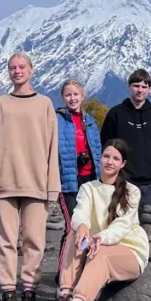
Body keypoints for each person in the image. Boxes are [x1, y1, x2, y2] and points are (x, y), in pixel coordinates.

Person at [0, 52, 60, 301]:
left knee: (34, 241)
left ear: (31, 70)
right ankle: (8, 294)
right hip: (5, 183)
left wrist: (52, 185)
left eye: (22, 67)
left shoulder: (45, 104)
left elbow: (53, 147)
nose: (17, 71)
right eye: (12, 67)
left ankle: (29, 293)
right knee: (5, 241)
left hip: (36, 183)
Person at [45, 139, 149, 301]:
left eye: (116, 158)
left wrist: (100, 237)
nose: (110, 161)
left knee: (102, 253)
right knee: (74, 234)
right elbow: (81, 212)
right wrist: (83, 226)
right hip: (95, 245)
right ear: (100, 159)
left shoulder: (131, 191)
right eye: (106, 156)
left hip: (129, 250)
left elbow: (122, 226)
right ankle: (64, 299)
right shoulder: (88, 188)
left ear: (123, 164)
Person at [100, 69, 151, 213]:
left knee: (147, 220)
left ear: (149, 89)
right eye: (136, 86)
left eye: (144, 87)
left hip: (150, 181)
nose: (140, 90)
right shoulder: (115, 114)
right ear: (129, 87)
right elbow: (106, 143)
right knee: (120, 219)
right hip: (122, 179)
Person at [56, 79, 102, 279]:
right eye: (68, 95)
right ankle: (64, 274)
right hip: (68, 182)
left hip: (90, 180)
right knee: (73, 227)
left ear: (83, 96)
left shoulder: (90, 121)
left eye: (76, 94)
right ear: (62, 98)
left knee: (88, 226)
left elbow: (97, 151)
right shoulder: (57, 120)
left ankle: (82, 270)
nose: (72, 98)